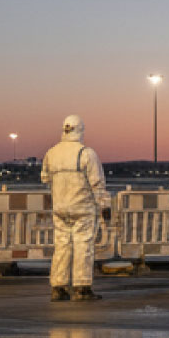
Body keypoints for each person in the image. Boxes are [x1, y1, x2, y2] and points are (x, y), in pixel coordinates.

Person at [42, 115, 112, 301]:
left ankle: (58, 287)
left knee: (62, 245)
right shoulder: (86, 153)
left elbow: (45, 178)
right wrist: (104, 206)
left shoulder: (51, 153)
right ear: (81, 130)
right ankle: (82, 287)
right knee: (83, 245)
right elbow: (97, 183)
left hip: (59, 207)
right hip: (82, 207)